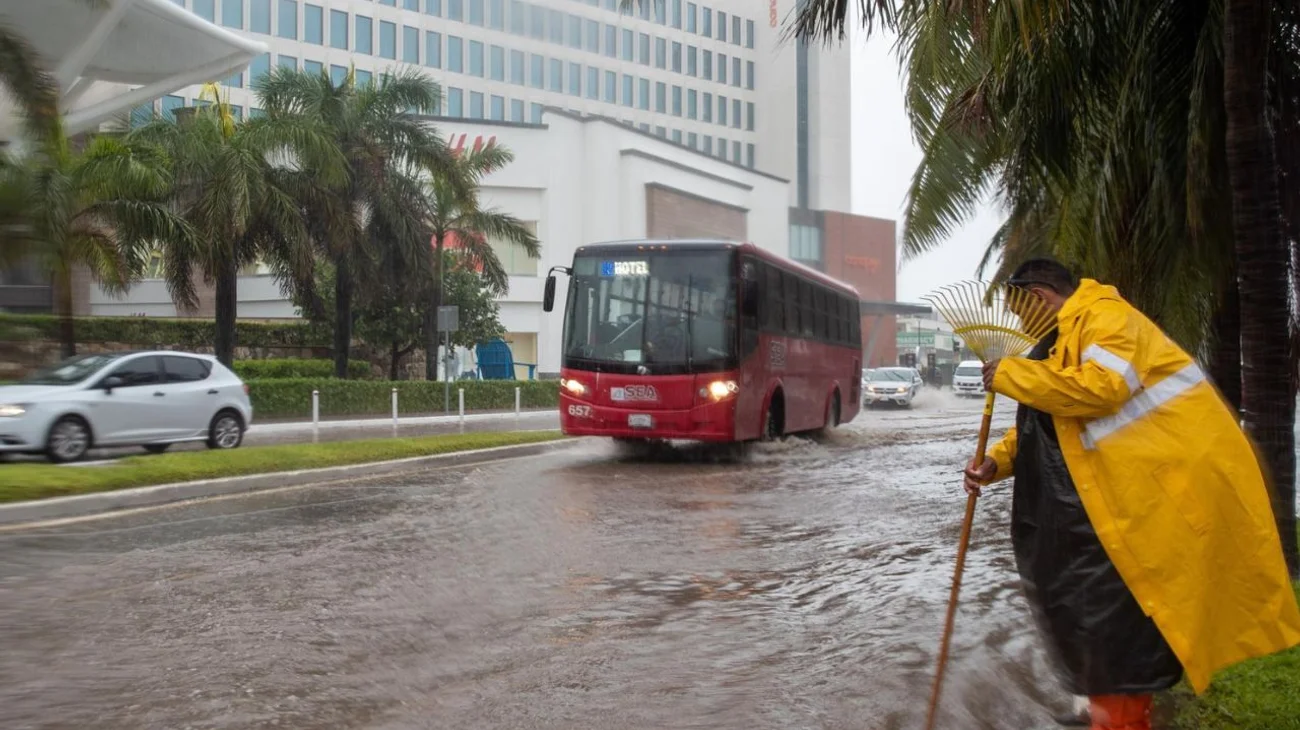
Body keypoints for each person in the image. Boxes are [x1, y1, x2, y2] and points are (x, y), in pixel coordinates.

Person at [963, 258, 1300, 730]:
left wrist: (1011, 375)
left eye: (1021, 312)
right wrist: (997, 461)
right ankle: (1108, 711)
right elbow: (1053, 420)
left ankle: (1119, 717)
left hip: (1139, 506)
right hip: (1097, 509)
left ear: (1038, 297)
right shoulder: (1063, 339)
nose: (1021, 325)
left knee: (1117, 628)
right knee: (1094, 623)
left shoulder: (1107, 319)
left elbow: (1102, 390)